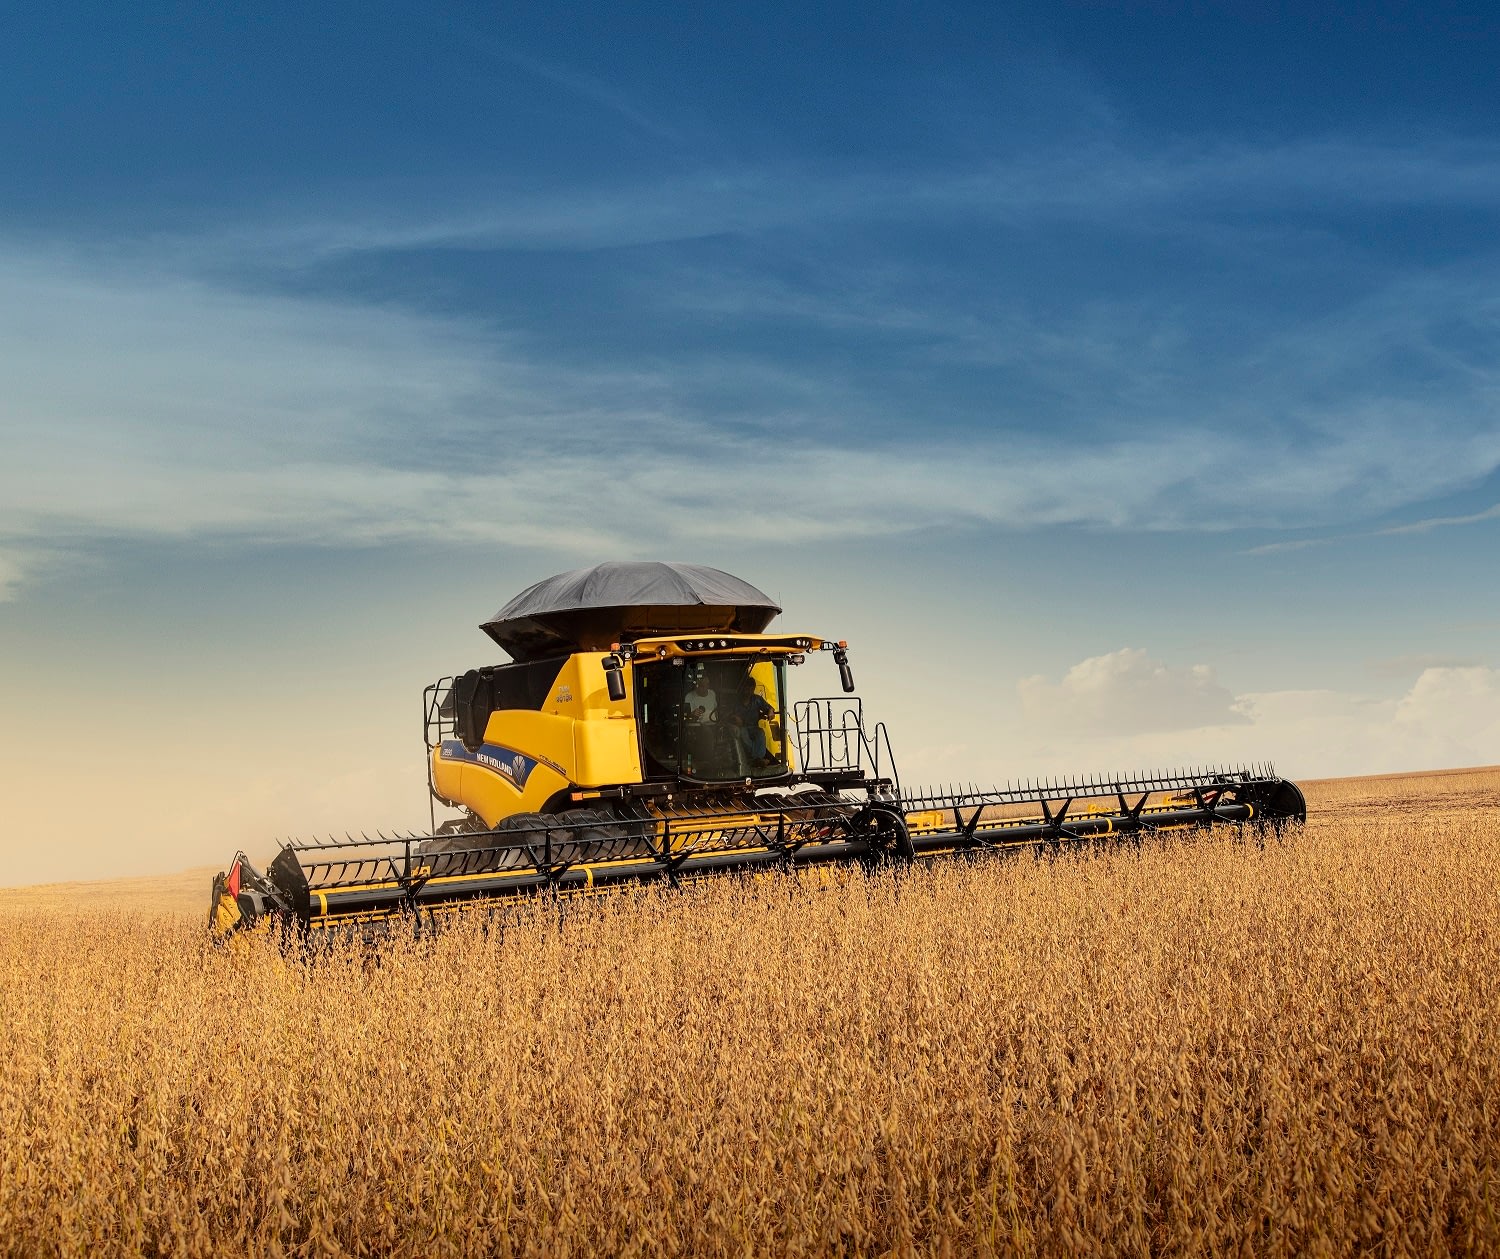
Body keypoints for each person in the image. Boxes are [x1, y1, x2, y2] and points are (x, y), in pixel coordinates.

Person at [727, 674, 776, 765]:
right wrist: (734, 719)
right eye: (747, 688)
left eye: (751, 689)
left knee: (760, 733)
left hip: (753, 727)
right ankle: (757, 759)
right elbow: (727, 715)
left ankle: (757, 759)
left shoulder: (757, 699)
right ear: (742, 688)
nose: (749, 691)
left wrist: (770, 711)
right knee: (742, 733)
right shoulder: (735, 701)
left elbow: (769, 708)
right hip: (741, 727)